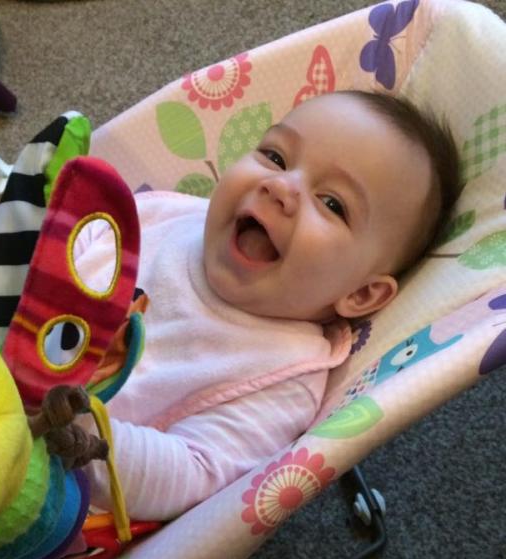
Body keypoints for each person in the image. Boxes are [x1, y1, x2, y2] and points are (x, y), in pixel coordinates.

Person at [75, 90, 462, 522]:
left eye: (332, 203)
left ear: (361, 294)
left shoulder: (282, 377)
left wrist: (73, 434)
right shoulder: (171, 217)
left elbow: (192, 473)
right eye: (275, 157)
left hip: (41, 469)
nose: (280, 186)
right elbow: (75, 238)